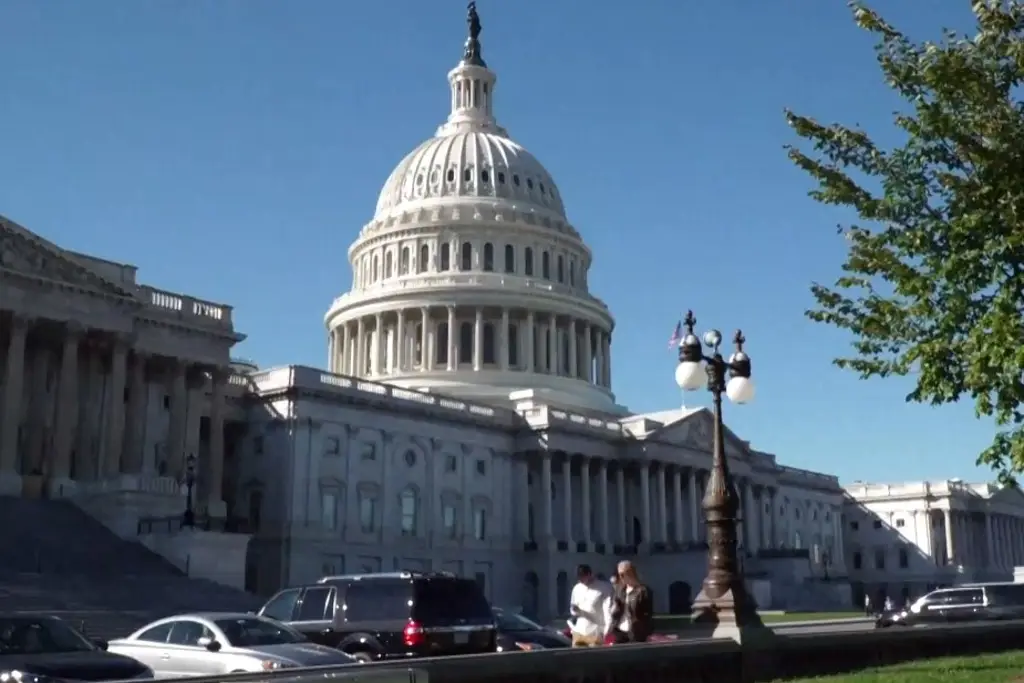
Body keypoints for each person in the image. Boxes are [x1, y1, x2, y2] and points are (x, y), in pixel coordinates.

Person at [568, 564, 614, 647]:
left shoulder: (604, 587)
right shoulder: (577, 588)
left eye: (583, 577)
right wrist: (575, 610)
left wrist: (606, 630)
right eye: (579, 578)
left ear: (590, 574)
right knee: (576, 657)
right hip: (579, 630)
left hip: (595, 631)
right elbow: (572, 609)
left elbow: (607, 610)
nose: (581, 580)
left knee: (594, 658)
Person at [613, 561, 653, 643]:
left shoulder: (642, 591)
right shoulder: (620, 590)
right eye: (619, 574)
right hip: (620, 630)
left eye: (623, 574)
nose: (621, 577)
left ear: (631, 573)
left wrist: (645, 631)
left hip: (636, 632)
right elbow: (616, 609)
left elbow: (647, 614)